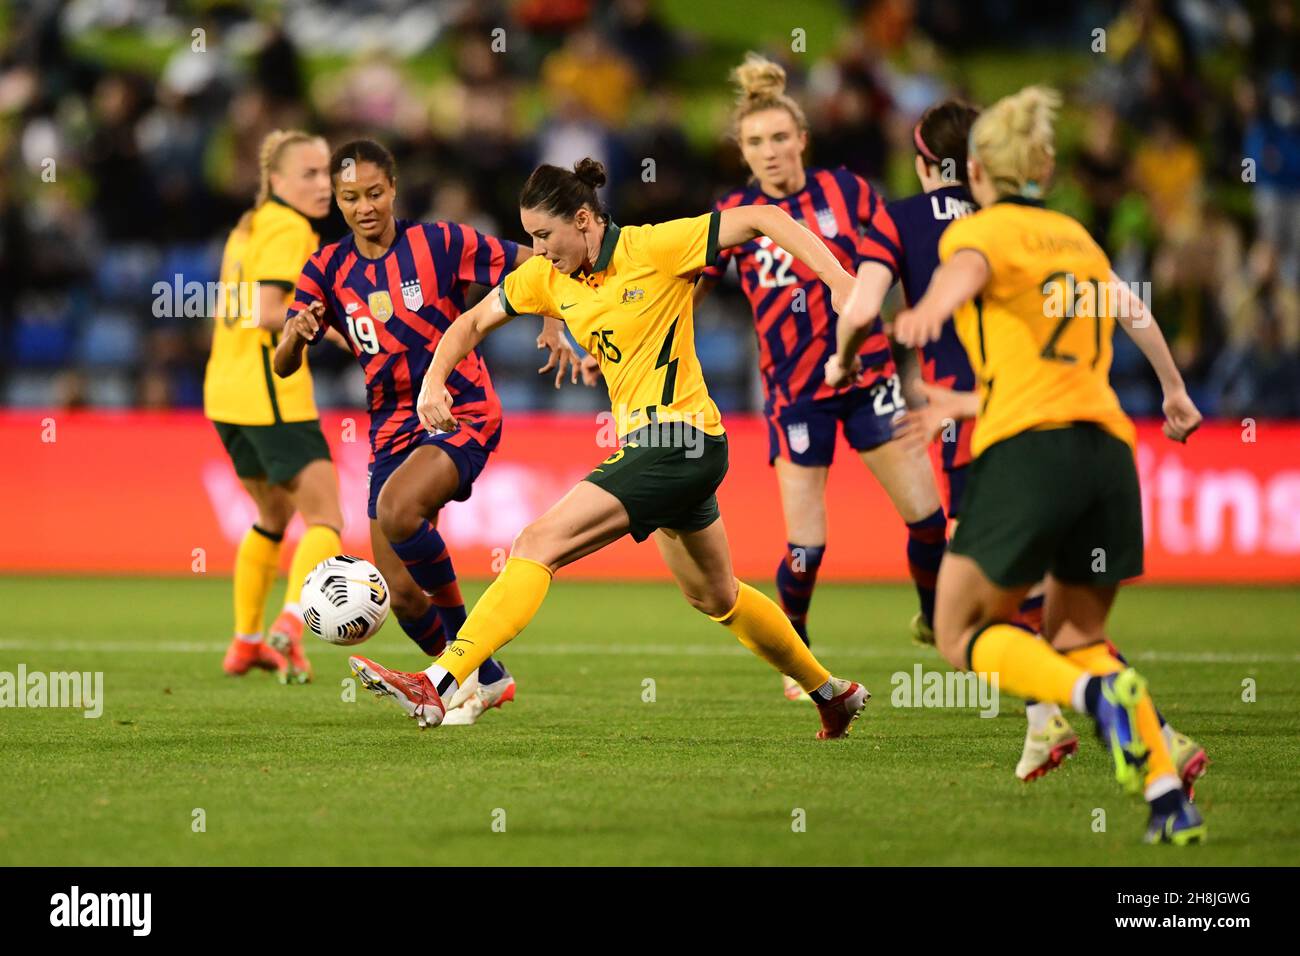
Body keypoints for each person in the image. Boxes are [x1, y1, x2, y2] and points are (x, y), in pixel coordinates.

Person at [346, 157, 871, 738]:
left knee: (535, 543)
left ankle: (442, 680)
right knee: (716, 596)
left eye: (545, 235)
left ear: (583, 219)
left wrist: (842, 280)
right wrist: (433, 380)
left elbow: (765, 217)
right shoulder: (548, 278)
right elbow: (470, 323)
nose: (538, 249)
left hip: (682, 438)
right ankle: (832, 693)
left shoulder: (657, 247)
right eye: (530, 238)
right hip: (663, 454)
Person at [832, 99, 1208, 790]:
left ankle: (1126, 725)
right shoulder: (1062, 232)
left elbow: (865, 306)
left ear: (932, 164)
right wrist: (1175, 390)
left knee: (970, 620)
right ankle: (1070, 729)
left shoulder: (916, 222)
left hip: (992, 426)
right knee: (1052, 609)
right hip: (1088, 429)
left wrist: (850, 355)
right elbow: (1129, 306)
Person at [274, 139, 579, 724]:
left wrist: (548, 320)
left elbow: (534, 263)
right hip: (389, 428)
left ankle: (466, 673)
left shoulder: (440, 242)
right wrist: (299, 332)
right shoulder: (325, 269)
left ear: (392, 188)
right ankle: (478, 679)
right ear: (336, 202)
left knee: (397, 511)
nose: (364, 206)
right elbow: (284, 363)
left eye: (374, 193)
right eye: (349, 198)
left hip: (460, 408)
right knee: (400, 590)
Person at [694, 54, 948, 700]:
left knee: (926, 519)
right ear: (742, 152)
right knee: (807, 546)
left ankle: (934, 617)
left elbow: (897, 262)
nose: (770, 151)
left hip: (871, 379)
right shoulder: (733, 214)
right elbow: (686, 289)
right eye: (756, 142)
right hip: (796, 394)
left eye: (780, 137)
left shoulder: (852, 194)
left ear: (802, 139)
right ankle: (796, 652)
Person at [204, 129, 344, 685]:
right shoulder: (290, 227)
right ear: (278, 181)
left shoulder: (249, 225)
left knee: (272, 516)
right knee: (327, 518)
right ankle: (292, 621)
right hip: (271, 396)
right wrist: (338, 331)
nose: (323, 185)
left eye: (326, 173)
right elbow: (267, 310)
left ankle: (245, 642)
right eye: (308, 174)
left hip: (225, 393)